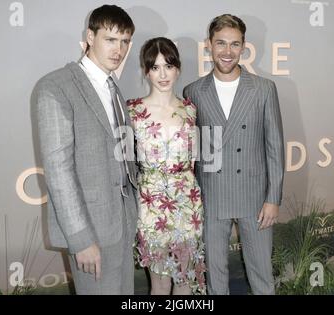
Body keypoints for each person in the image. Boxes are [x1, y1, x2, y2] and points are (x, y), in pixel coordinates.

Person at [35, 5, 138, 295]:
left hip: (122, 223)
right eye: (110, 39)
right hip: (90, 231)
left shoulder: (112, 86)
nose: (118, 49)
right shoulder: (56, 86)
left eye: (125, 41)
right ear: (90, 37)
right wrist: (80, 240)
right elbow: (58, 171)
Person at [183, 14, 285, 295]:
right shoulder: (193, 92)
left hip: (255, 197)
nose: (227, 52)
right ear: (209, 45)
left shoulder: (264, 89)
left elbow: (275, 147)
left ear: (243, 47)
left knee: (262, 274)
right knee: (215, 277)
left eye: (234, 44)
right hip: (212, 196)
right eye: (221, 44)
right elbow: (193, 152)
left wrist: (273, 198)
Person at [128, 37, 206, 295]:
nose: (163, 74)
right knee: (159, 284)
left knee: (184, 279)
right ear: (146, 71)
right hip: (150, 204)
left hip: (187, 199)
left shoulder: (190, 110)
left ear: (178, 69)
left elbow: (197, 158)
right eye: (155, 67)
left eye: (168, 66)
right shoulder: (132, 111)